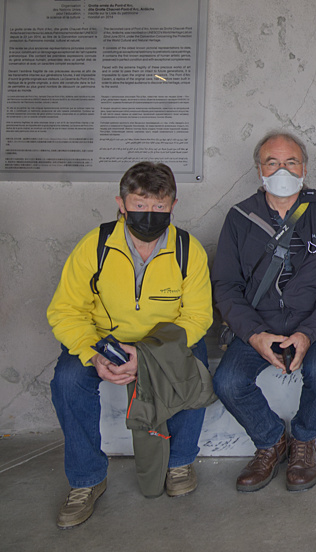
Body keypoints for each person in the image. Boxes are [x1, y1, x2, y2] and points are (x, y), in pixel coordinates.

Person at [48, 162, 213, 528]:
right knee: (67, 380)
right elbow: (65, 311)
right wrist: (92, 353)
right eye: (140, 204)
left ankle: (180, 461)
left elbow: (197, 317)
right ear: (121, 204)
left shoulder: (188, 250)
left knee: (196, 361)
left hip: (162, 341)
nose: (149, 213)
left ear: (173, 205)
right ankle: (87, 479)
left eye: (159, 206)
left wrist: (150, 356)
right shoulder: (95, 245)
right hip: (104, 341)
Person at [211, 131, 316, 493]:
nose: (282, 170)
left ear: (304, 167)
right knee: (227, 381)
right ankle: (271, 440)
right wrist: (254, 335)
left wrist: (308, 333)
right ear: (259, 170)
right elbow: (226, 285)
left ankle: (303, 441)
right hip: (258, 322)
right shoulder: (240, 217)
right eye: (272, 162)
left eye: (291, 162)